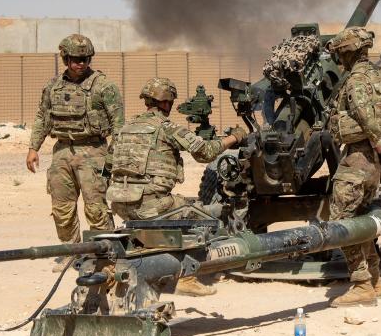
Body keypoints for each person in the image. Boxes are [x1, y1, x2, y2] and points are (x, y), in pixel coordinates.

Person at [107, 77, 247, 296]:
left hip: (121, 204)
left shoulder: (125, 129)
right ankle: (187, 276)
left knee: (178, 206)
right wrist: (234, 137)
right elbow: (206, 152)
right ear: (166, 102)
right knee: (201, 215)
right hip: (150, 205)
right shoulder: (166, 128)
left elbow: (109, 164)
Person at [26, 34, 124, 270]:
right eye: (75, 59)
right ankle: (70, 251)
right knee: (62, 207)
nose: (80, 63)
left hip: (94, 151)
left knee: (96, 207)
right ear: (65, 58)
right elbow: (42, 117)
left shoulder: (104, 86)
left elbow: (119, 124)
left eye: (84, 59)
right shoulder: (53, 87)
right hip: (61, 151)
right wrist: (33, 148)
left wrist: (114, 157)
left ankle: (106, 255)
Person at [325, 27, 381, 307]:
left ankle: (360, 284)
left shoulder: (356, 80)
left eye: (340, 53)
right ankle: (373, 279)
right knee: (358, 219)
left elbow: (366, 119)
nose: (338, 59)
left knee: (340, 219)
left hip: (360, 157)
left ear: (348, 51)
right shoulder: (377, 79)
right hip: (375, 162)